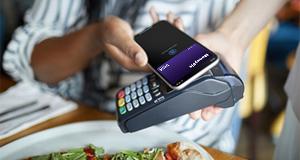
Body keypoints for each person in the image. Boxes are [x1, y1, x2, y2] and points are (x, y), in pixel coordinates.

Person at [3, 0, 298, 158]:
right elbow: (33, 59)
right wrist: (95, 36)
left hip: (200, 145)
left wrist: (231, 37)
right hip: (88, 129)